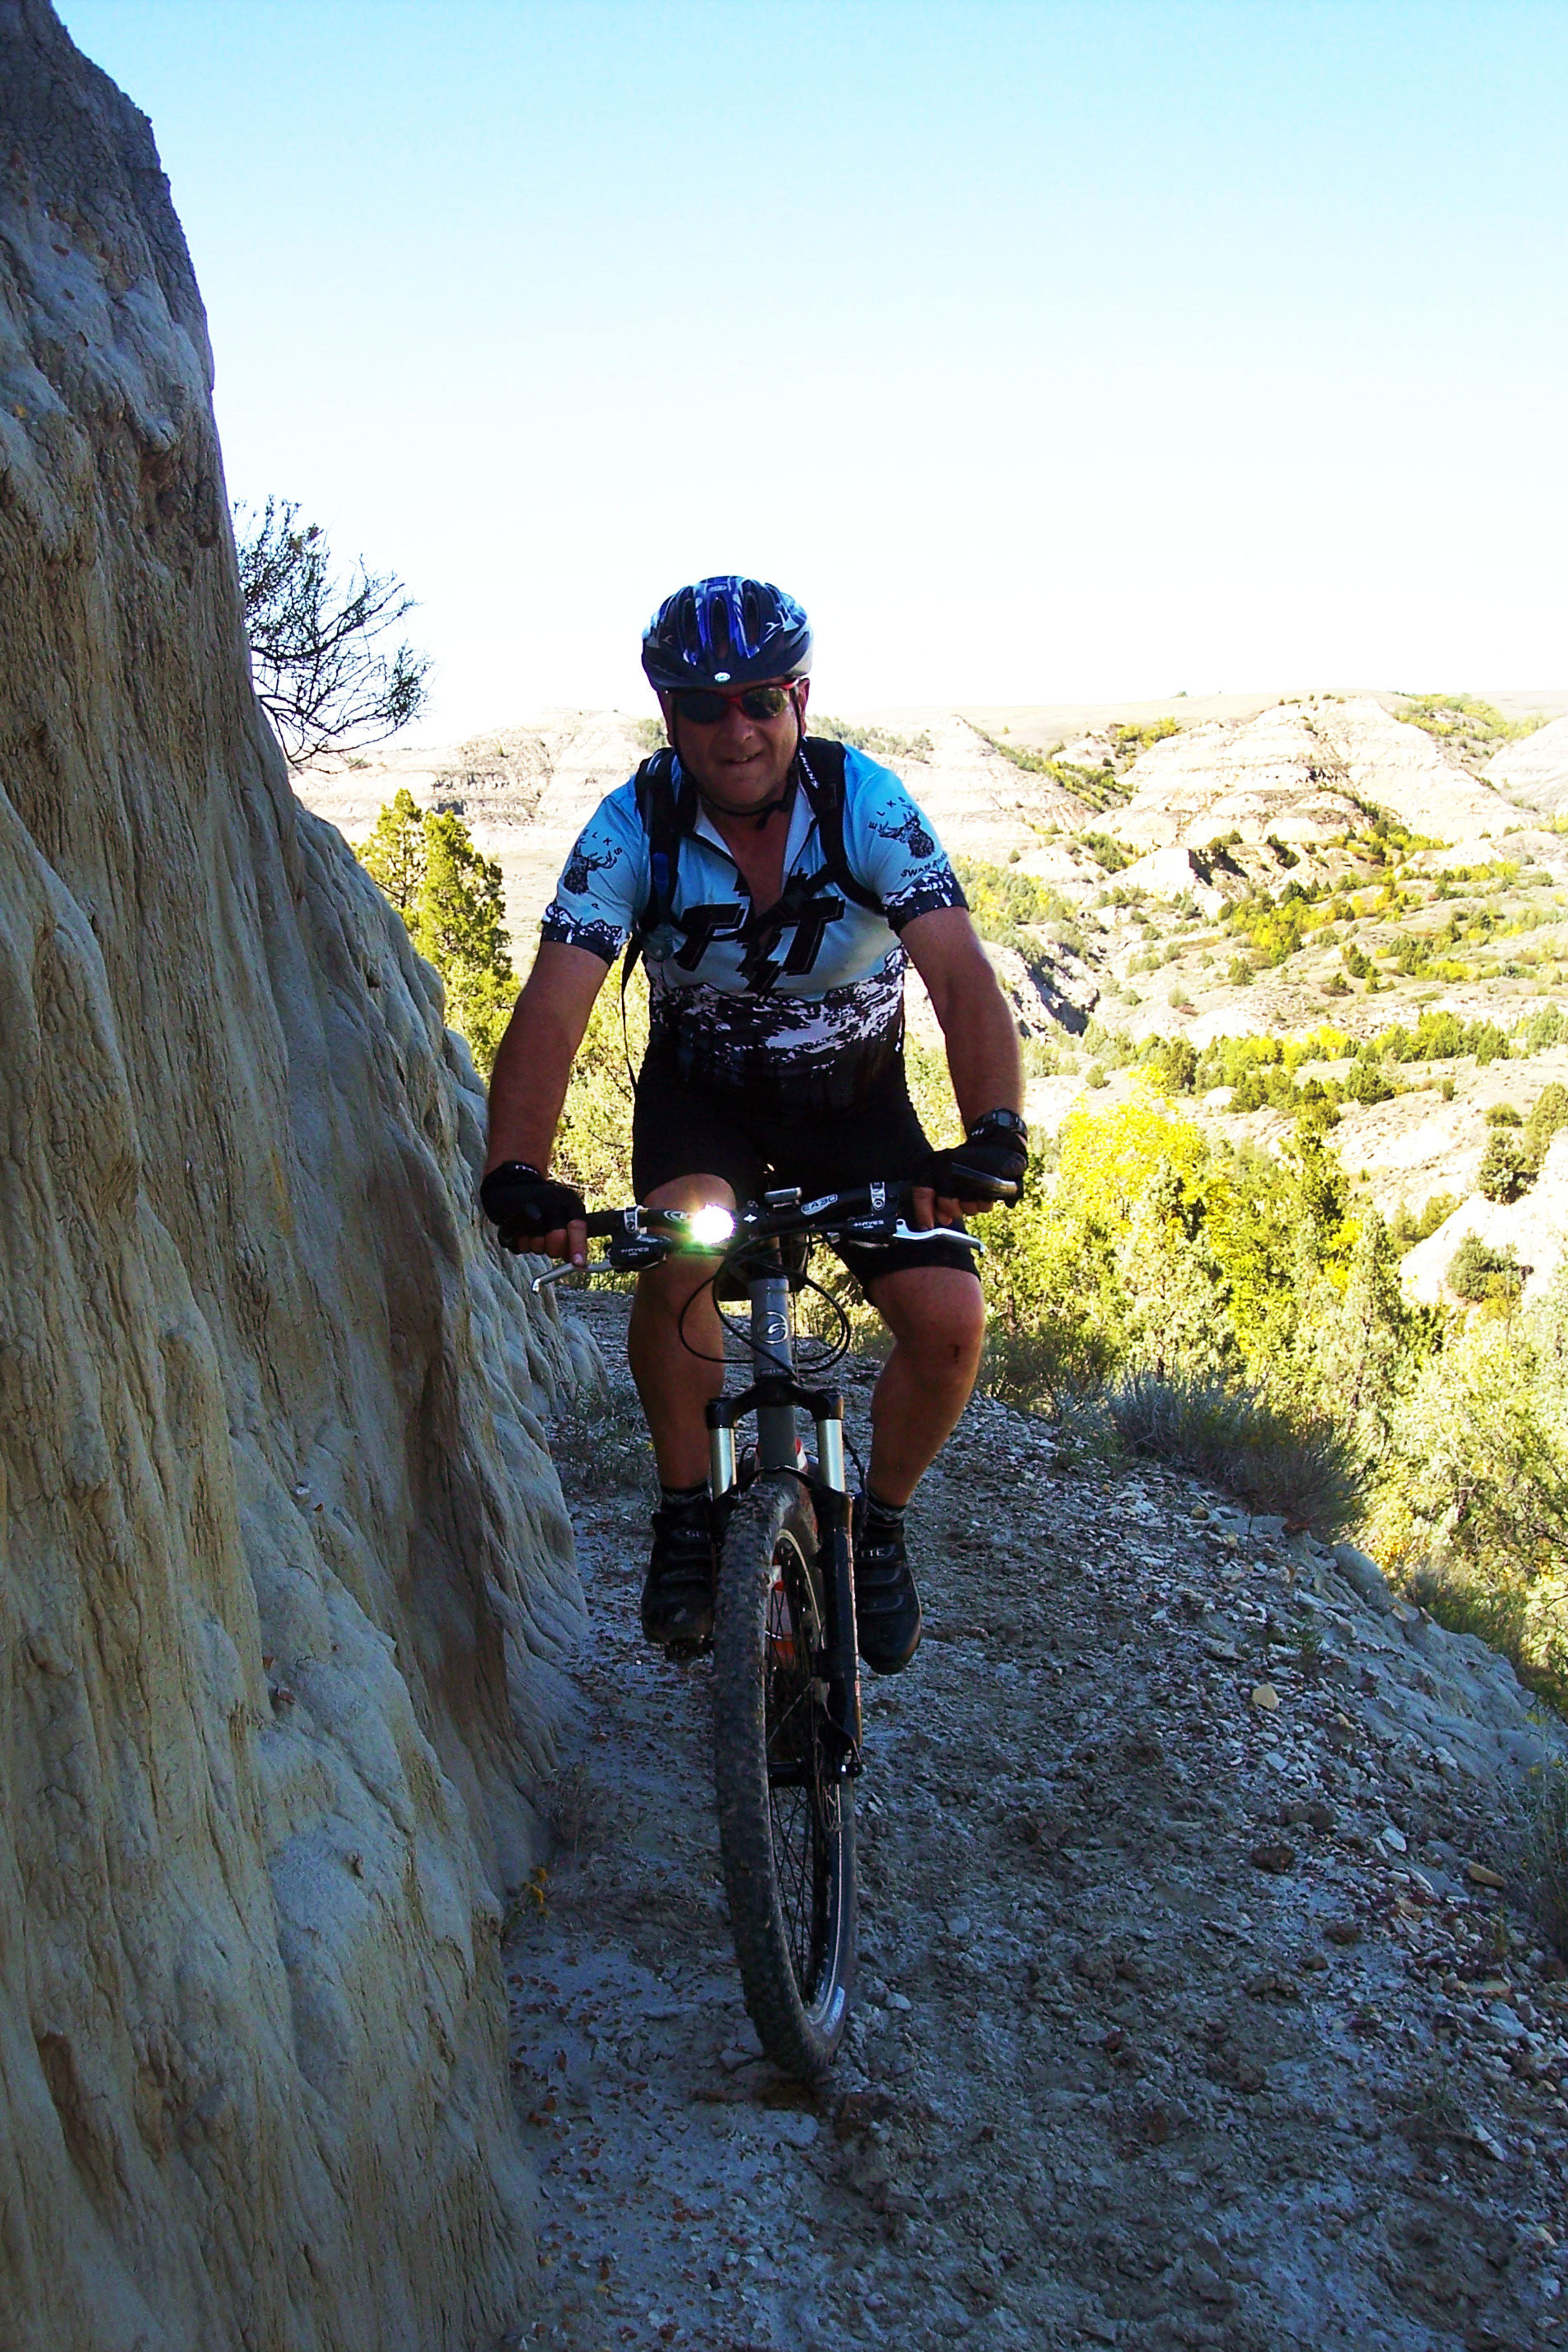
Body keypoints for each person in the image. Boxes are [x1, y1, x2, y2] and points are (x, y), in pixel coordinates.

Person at [480, 576, 1027, 1674]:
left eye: (761, 702)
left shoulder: (865, 804)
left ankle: (879, 1523)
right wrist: (517, 1170)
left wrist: (995, 1130)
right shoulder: (636, 823)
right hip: (705, 1102)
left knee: (949, 1318)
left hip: (857, 1104)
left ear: (801, 701)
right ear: (670, 718)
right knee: (683, 1247)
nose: (736, 730)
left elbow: (962, 977)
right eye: (702, 708)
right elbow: (555, 1003)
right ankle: (689, 1514)